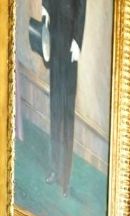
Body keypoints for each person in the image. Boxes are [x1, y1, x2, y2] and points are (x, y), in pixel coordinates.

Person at [39, 0, 87, 196]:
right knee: (55, 111)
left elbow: (81, 9)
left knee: (66, 117)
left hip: (69, 48)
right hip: (55, 43)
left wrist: (77, 41)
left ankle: (65, 178)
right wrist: (45, 13)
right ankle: (54, 169)